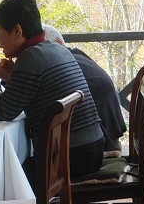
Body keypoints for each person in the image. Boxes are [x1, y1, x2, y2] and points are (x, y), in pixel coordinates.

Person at [0, 0, 105, 180]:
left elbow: (4, 111)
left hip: (69, 158)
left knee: (0, 177)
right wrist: (11, 77)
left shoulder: (30, 58)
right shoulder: (57, 49)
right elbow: (34, 94)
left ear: (17, 31)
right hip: (92, 149)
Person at [41, 25, 127, 155]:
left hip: (104, 145)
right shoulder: (78, 56)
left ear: (59, 43)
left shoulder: (64, 66)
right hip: (111, 135)